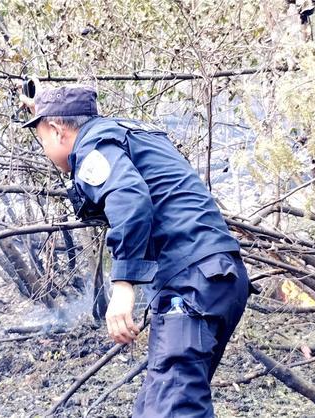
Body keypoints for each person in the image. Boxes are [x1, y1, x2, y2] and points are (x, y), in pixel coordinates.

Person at [19, 84, 256, 417]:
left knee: (175, 408)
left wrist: (123, 286)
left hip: (192, 282)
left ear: (58, 130)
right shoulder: (123, 134)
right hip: (218, 277)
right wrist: (42, 108)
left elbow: (129, 200)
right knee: (154, 406)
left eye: (41, 138)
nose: (42, 148)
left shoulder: (92, 147)